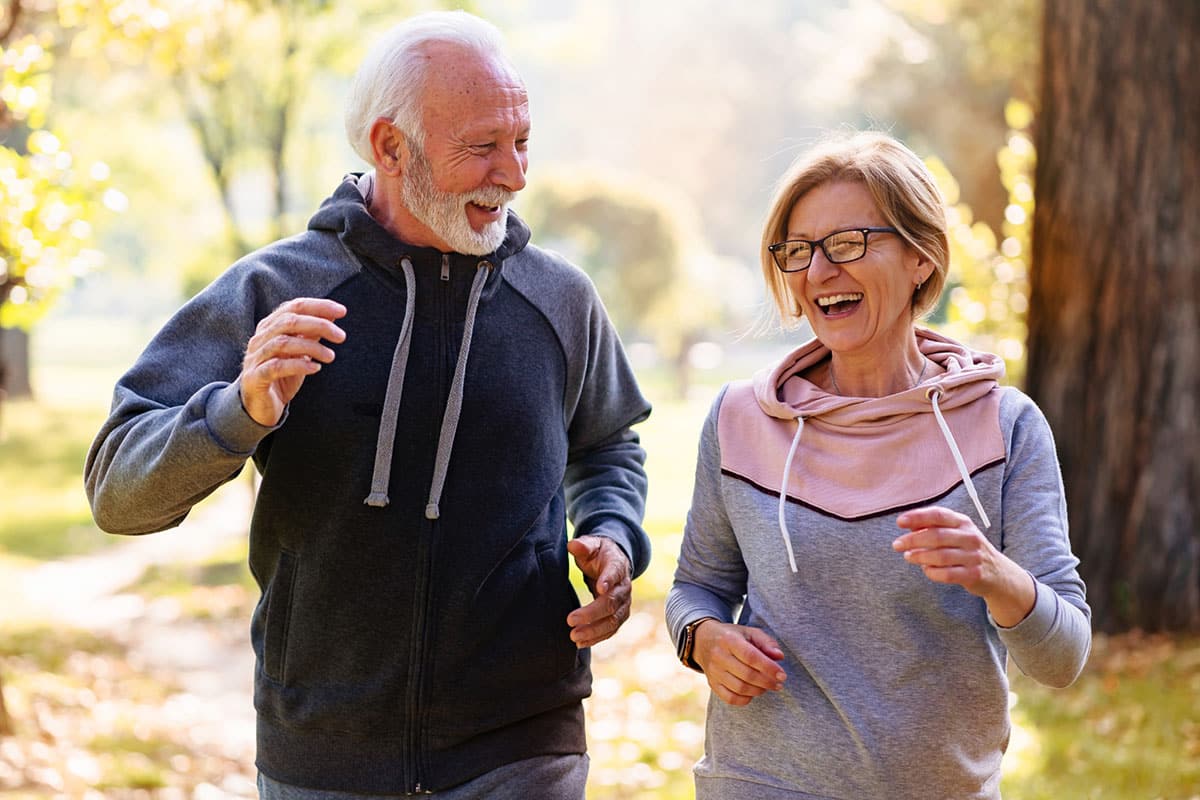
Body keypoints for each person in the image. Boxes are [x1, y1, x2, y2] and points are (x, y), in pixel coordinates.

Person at [86, 11, 652, 799]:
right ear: (391, 148)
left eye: (522, 141)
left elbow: (607, 444)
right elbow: (118, 493)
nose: (516, 174)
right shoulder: (275, 290)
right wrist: (238, 411)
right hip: (324, 757)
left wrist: (614, 536)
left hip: (524, 745)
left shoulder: (560, 300)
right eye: (483, 146)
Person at [665, 131, 1091, 800]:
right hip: (761, 782)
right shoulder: (740, 421)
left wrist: (997, 577)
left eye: (847, 244)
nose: (818, 272)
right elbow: (695, 587)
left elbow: (1062, 659)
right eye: (798, 251)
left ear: (921, 258)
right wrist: (703, 639)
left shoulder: (1003, 428)